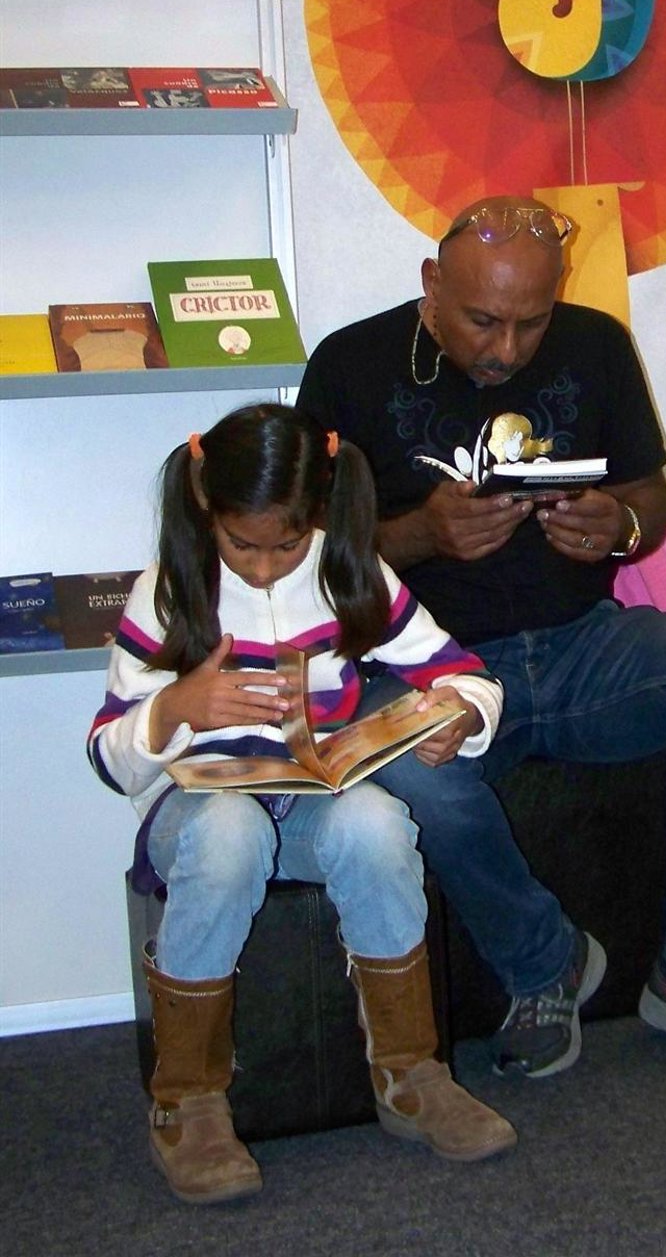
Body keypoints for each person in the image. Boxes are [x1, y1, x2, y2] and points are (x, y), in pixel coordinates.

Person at [297, 195, 666, 1079]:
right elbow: (303, 557)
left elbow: (649, 502)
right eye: (482, 320)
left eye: (531, 323)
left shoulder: (596, 344)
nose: (506, 348)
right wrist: (419, 535)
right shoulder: (349, 363)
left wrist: (620, 529)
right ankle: (544, 962)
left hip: (583, 650)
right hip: (436, 671)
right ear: (431, 283)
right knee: (406, 762)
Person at [87, 404, 516, 1206]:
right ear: (206, 504)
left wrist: (462, 712)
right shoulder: (170, 589)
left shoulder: (349, 573)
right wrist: (175, 707)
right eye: (241, 544)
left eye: (285, 545)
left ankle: (410, 1072)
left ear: (317, 511)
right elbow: (109, 756)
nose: (262, 567)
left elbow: (460, 670)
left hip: (310, 800)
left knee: (379, 822)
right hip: (198, 814)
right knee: (229, 833)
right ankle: (188, 1100)